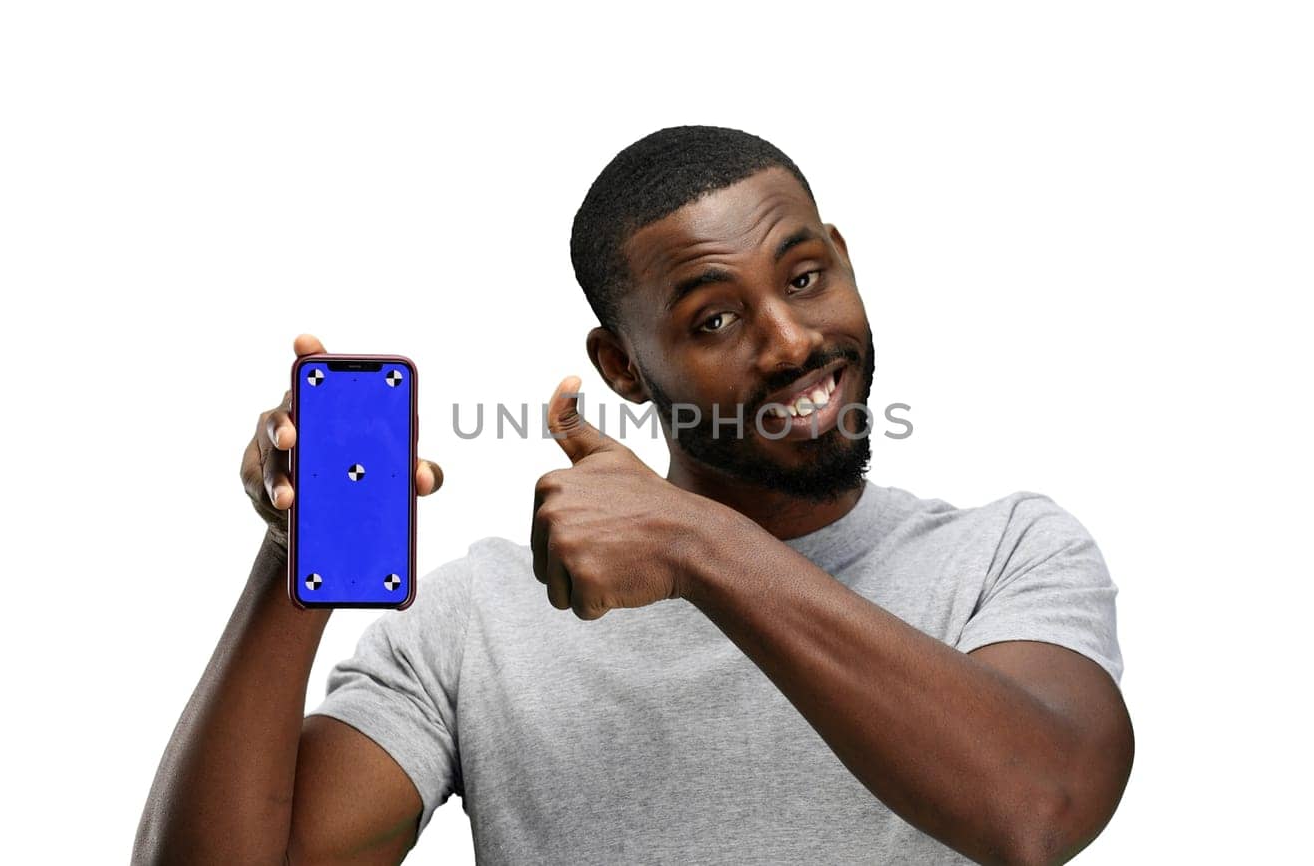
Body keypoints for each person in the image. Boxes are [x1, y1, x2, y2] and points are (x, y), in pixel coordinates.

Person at [133, 126, 1134, 865]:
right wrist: (287, 558)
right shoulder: (481, 621)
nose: (789, 342)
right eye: (712, 321)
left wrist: (700, 549)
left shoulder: (1007, 553)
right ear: (619, 365)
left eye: (806, 275)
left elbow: (1036, 806)